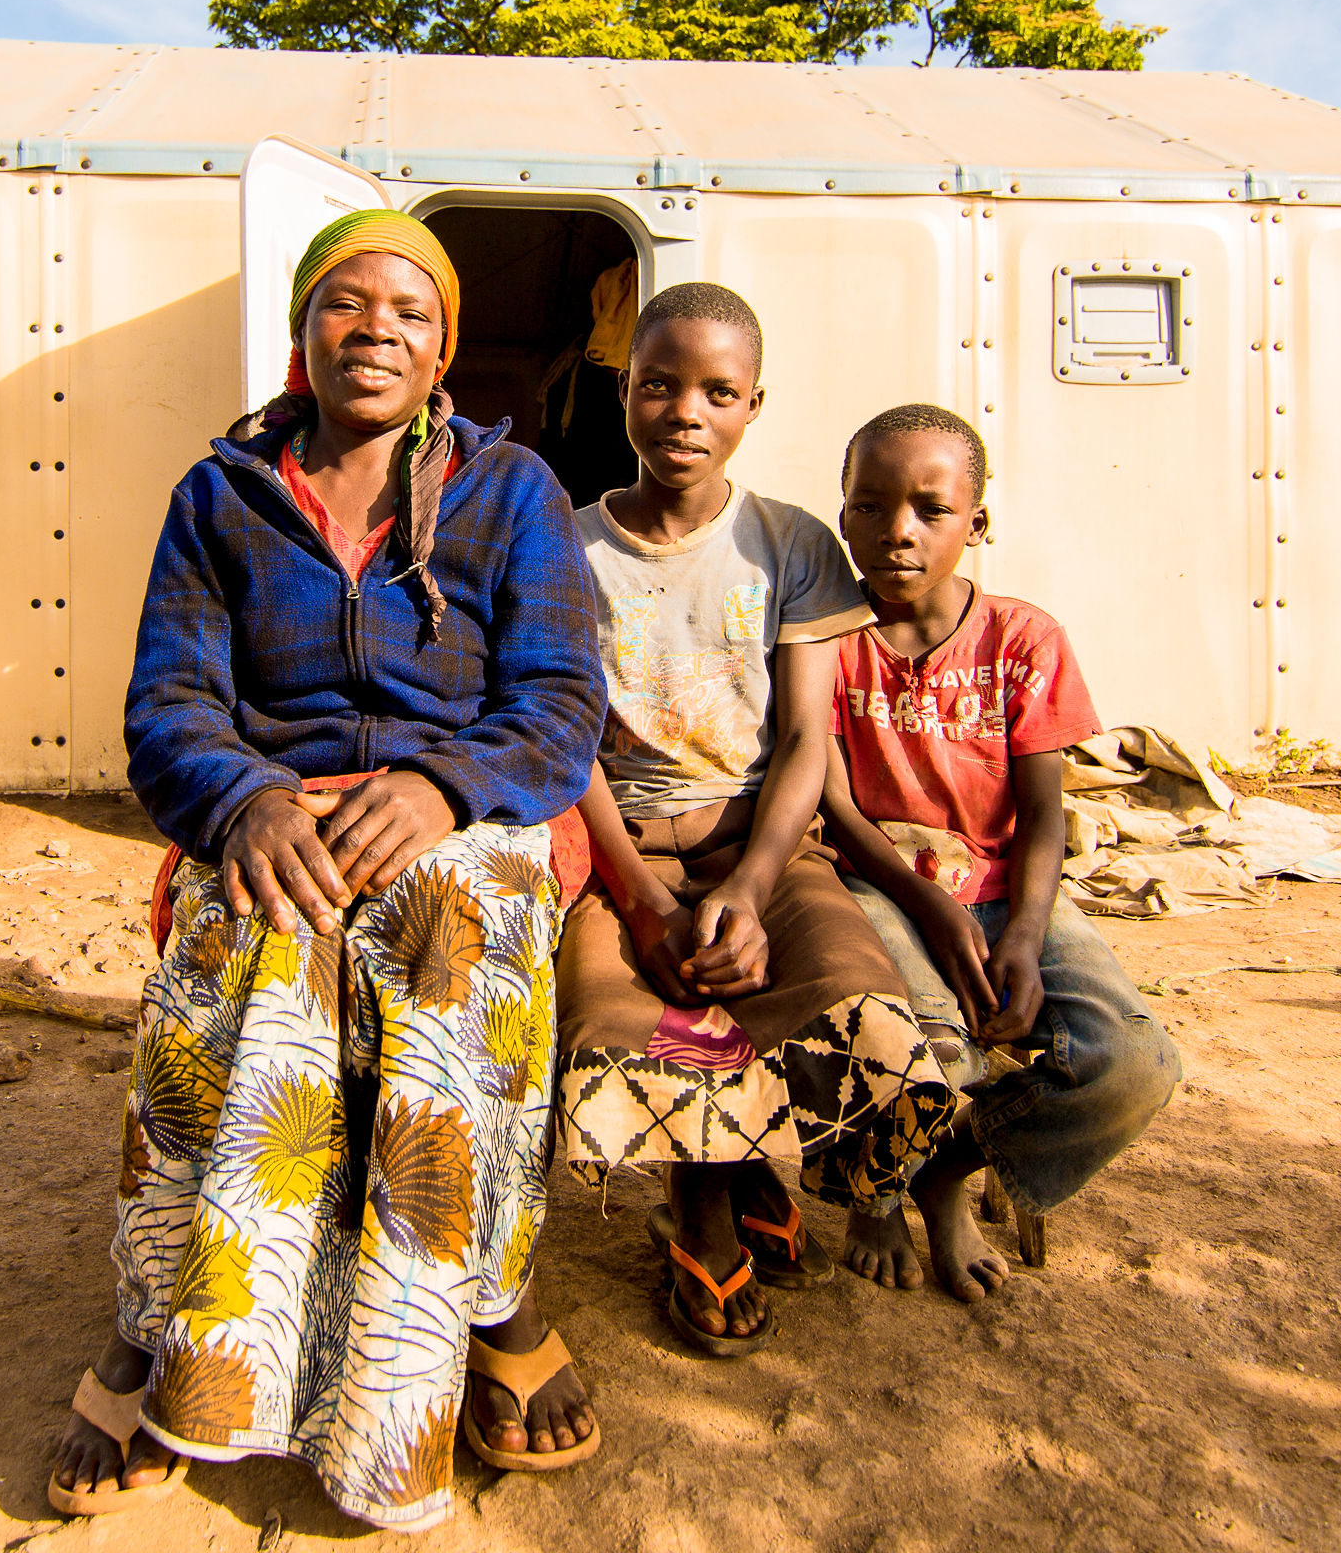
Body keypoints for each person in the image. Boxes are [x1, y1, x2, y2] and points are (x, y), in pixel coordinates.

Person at [48, 211, 608, 1533]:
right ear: (302, 337)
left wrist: (440, 788)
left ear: (443, 350)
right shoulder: (221, 497)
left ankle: (482, 1312)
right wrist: (242, 803)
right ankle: (163, 1324)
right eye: (344, 305)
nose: (376, 330)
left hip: (461, 805)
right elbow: (170, 706)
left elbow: (558, 708)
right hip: (277, 807)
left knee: (443, 932)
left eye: (409, 312)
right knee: (251, 937)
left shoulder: (509, 490)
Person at [552, 282, 962, 1357]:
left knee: (846, 991)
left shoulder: (791, 543)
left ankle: (751, 1167)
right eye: (659, 383)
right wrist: (639, 898)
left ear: (754, 405)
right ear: (623, 391)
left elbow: (803, 743)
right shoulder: (566, 547)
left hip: (762, 837)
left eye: (718, 390)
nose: (686, 410)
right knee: (630, 1008)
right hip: (618, 848)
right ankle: (701, 1202)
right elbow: (566, 739)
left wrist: (743, 884)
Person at [816, 403, 1181, 1299]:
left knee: (1132, 1064)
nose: (898, 531)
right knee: (934, 1051)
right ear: (844, 513)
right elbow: (832, 801)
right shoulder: (823, 637)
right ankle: (879, 1191)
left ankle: (948, 1173)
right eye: (871, 505)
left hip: (1008, 889)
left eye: (931, 510)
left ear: (976, 524)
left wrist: (1024, 932)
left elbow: (1043, 812)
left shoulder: (1023, 639)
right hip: (883, 883)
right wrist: (930, 903)